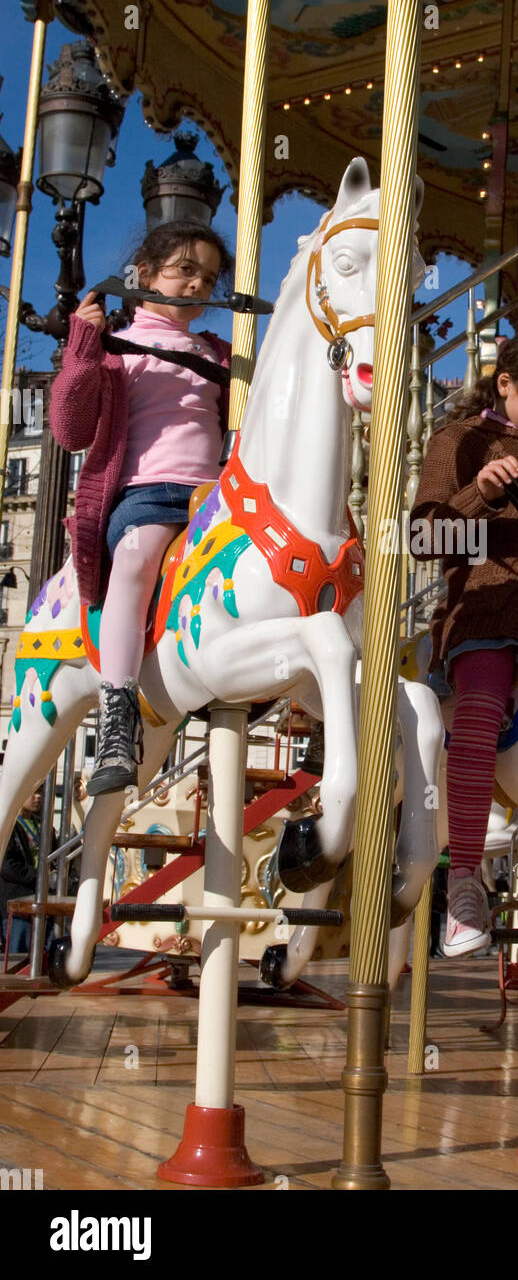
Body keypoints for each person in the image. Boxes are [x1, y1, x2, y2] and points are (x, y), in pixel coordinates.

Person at [50, 221, 234, 796]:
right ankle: (116, 710)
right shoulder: (116, 350)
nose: (196, 285)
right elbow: (69, 430)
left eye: (207, 277)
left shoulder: (220, 354)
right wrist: (83, 346)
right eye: (184, 271)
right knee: (134, 556)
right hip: (147, 490)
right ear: (146, 275)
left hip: (216, 496)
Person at [410, 328, 518, 956]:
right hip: (490, 609)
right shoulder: (460, 441)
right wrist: (479, 493)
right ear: (504, 385)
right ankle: (464, 882)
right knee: (479, 708)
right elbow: (427, 543)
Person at [0, 788, 43, 955]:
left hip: (40, 899)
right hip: (16, 902)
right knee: (17, 956)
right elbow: (7, 866)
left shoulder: (43, 825)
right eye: (32, 792)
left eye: (40, 792)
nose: (37, 797)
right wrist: (38, 875)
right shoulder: (8, 825)